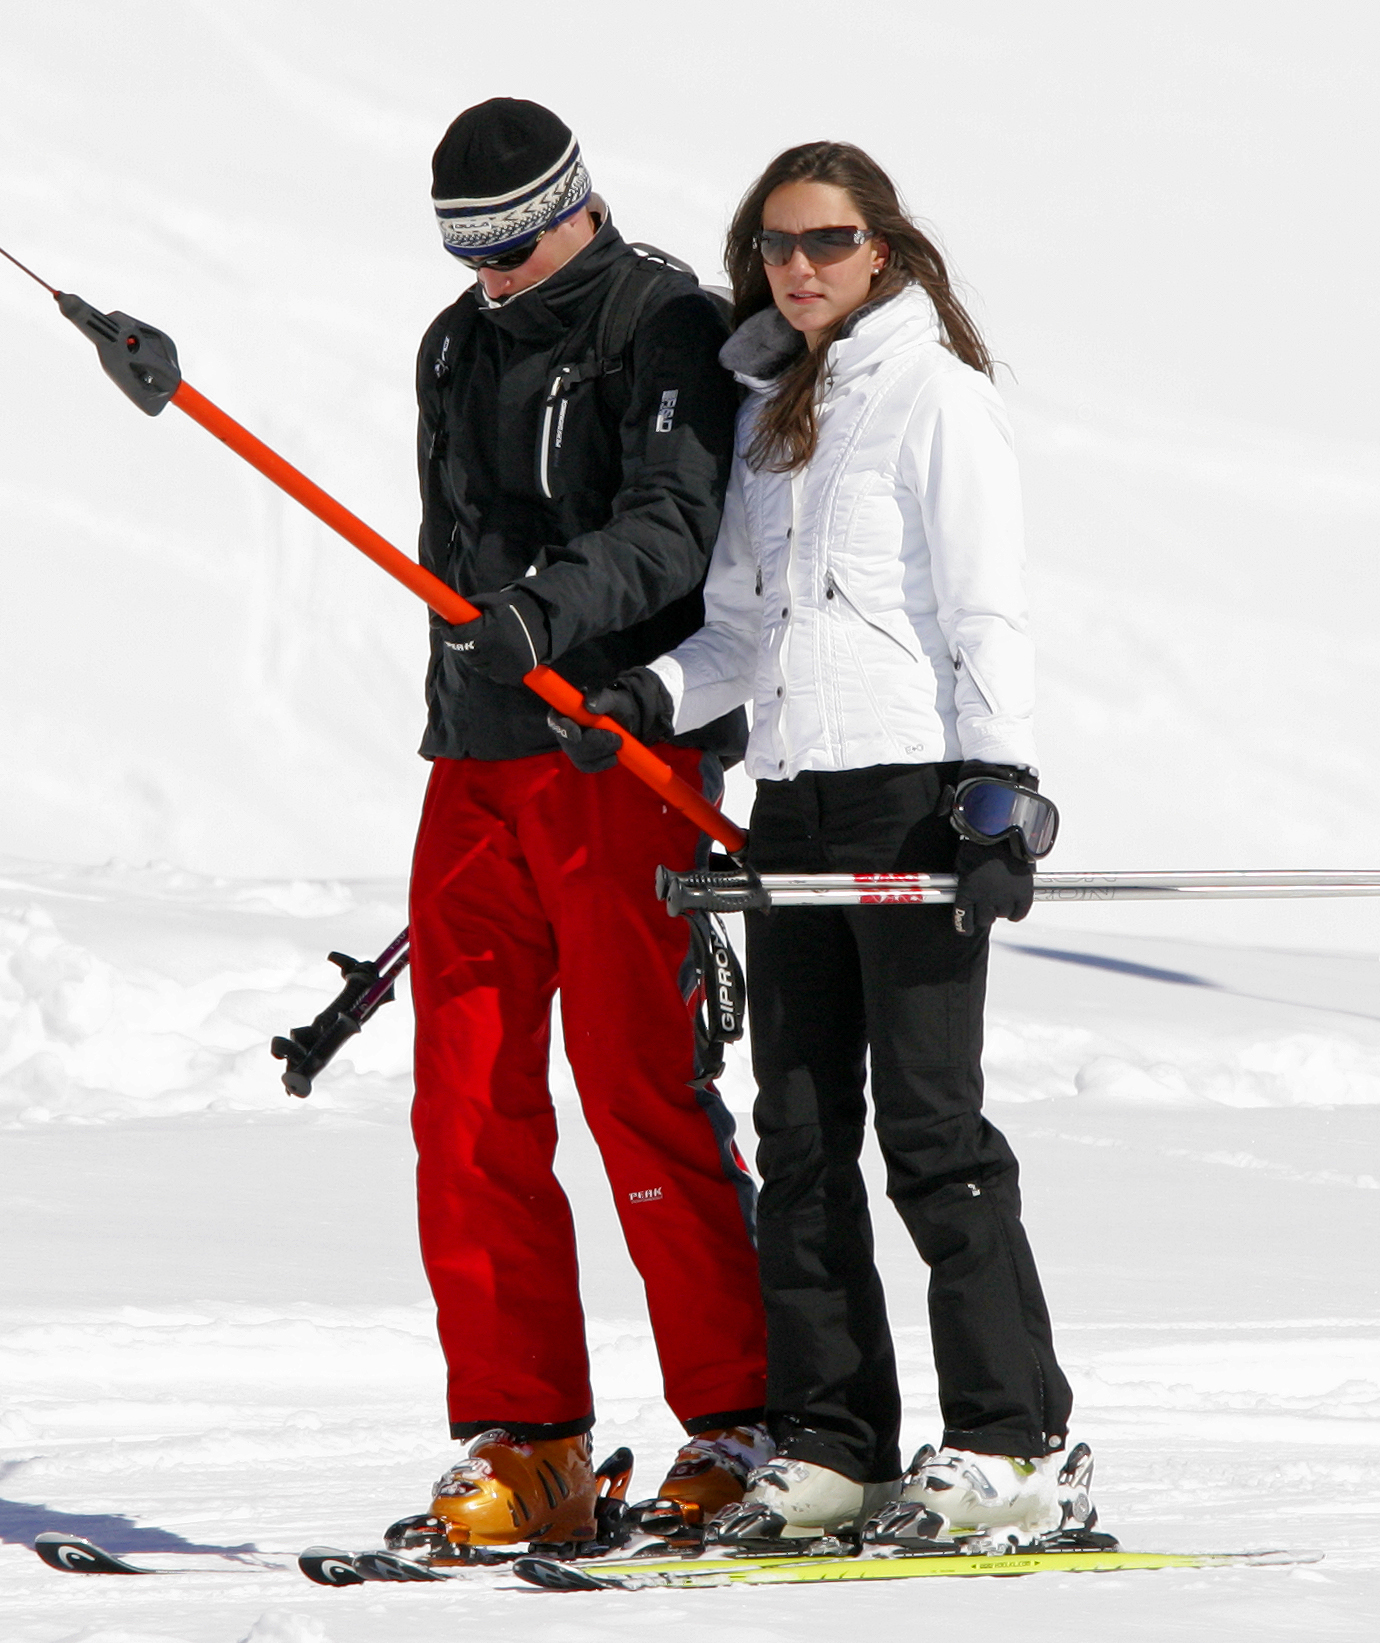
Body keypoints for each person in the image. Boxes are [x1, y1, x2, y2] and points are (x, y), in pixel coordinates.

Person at [557, 140, 1091, 1546]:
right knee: (798, 1135)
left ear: (883, 249)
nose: (800, 267)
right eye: (778, 247)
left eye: (827, 241)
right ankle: (838, 1443)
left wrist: (999, 787)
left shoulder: (936, 402)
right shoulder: (770, 411)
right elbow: (739, 630)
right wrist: (646, 703)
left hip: (908, 797)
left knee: (928, 1127)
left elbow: (986, 612)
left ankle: (1011, 1439)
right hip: (786, 805)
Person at [406, 98, 771, 1555]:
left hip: (624, 749)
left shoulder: (661, 323)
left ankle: (743, 1420)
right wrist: (483, 655)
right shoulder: (452, 340)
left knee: (639, 1087)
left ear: (579, 200)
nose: (493, 274)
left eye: (512, 241)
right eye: (465, 250)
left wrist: (544, 621)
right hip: (481, 761)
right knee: (468, 1103)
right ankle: (531, 1435)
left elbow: (677, 527)